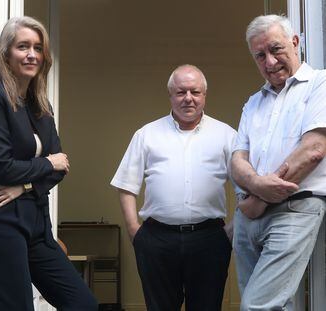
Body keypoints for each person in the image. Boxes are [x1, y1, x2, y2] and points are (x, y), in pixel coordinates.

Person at [0, 16, 97, 311]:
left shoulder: (41, 105)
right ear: (6, 54)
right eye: (23, 46)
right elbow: (4, 167)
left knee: (83, 303)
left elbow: (61, 168)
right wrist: (47, 164)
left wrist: (23, 185)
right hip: (0, 220)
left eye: (38, 48)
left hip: (37, 223)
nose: (32, 54)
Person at [111, 64, 238, 311]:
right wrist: (135, 232)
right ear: (170, 95)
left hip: (210, 239)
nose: (188, 98)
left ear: (204, 95)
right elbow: (126, 185)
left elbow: (246, 187)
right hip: (156, 240)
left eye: (195, 92)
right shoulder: (146, 134)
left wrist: (232, 230)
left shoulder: (227, 136)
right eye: (181, 92)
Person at [231, 14, 326, 310]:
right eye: (260, 55)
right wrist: (257, 188)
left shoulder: (320, 84)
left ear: (295, 42)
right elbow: (237, 160)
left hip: (294, 209)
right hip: (248, 219)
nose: (269, 62)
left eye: (276, 49)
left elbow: (313, 149)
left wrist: (257, 197)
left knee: (257, 306)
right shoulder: (253, 102)